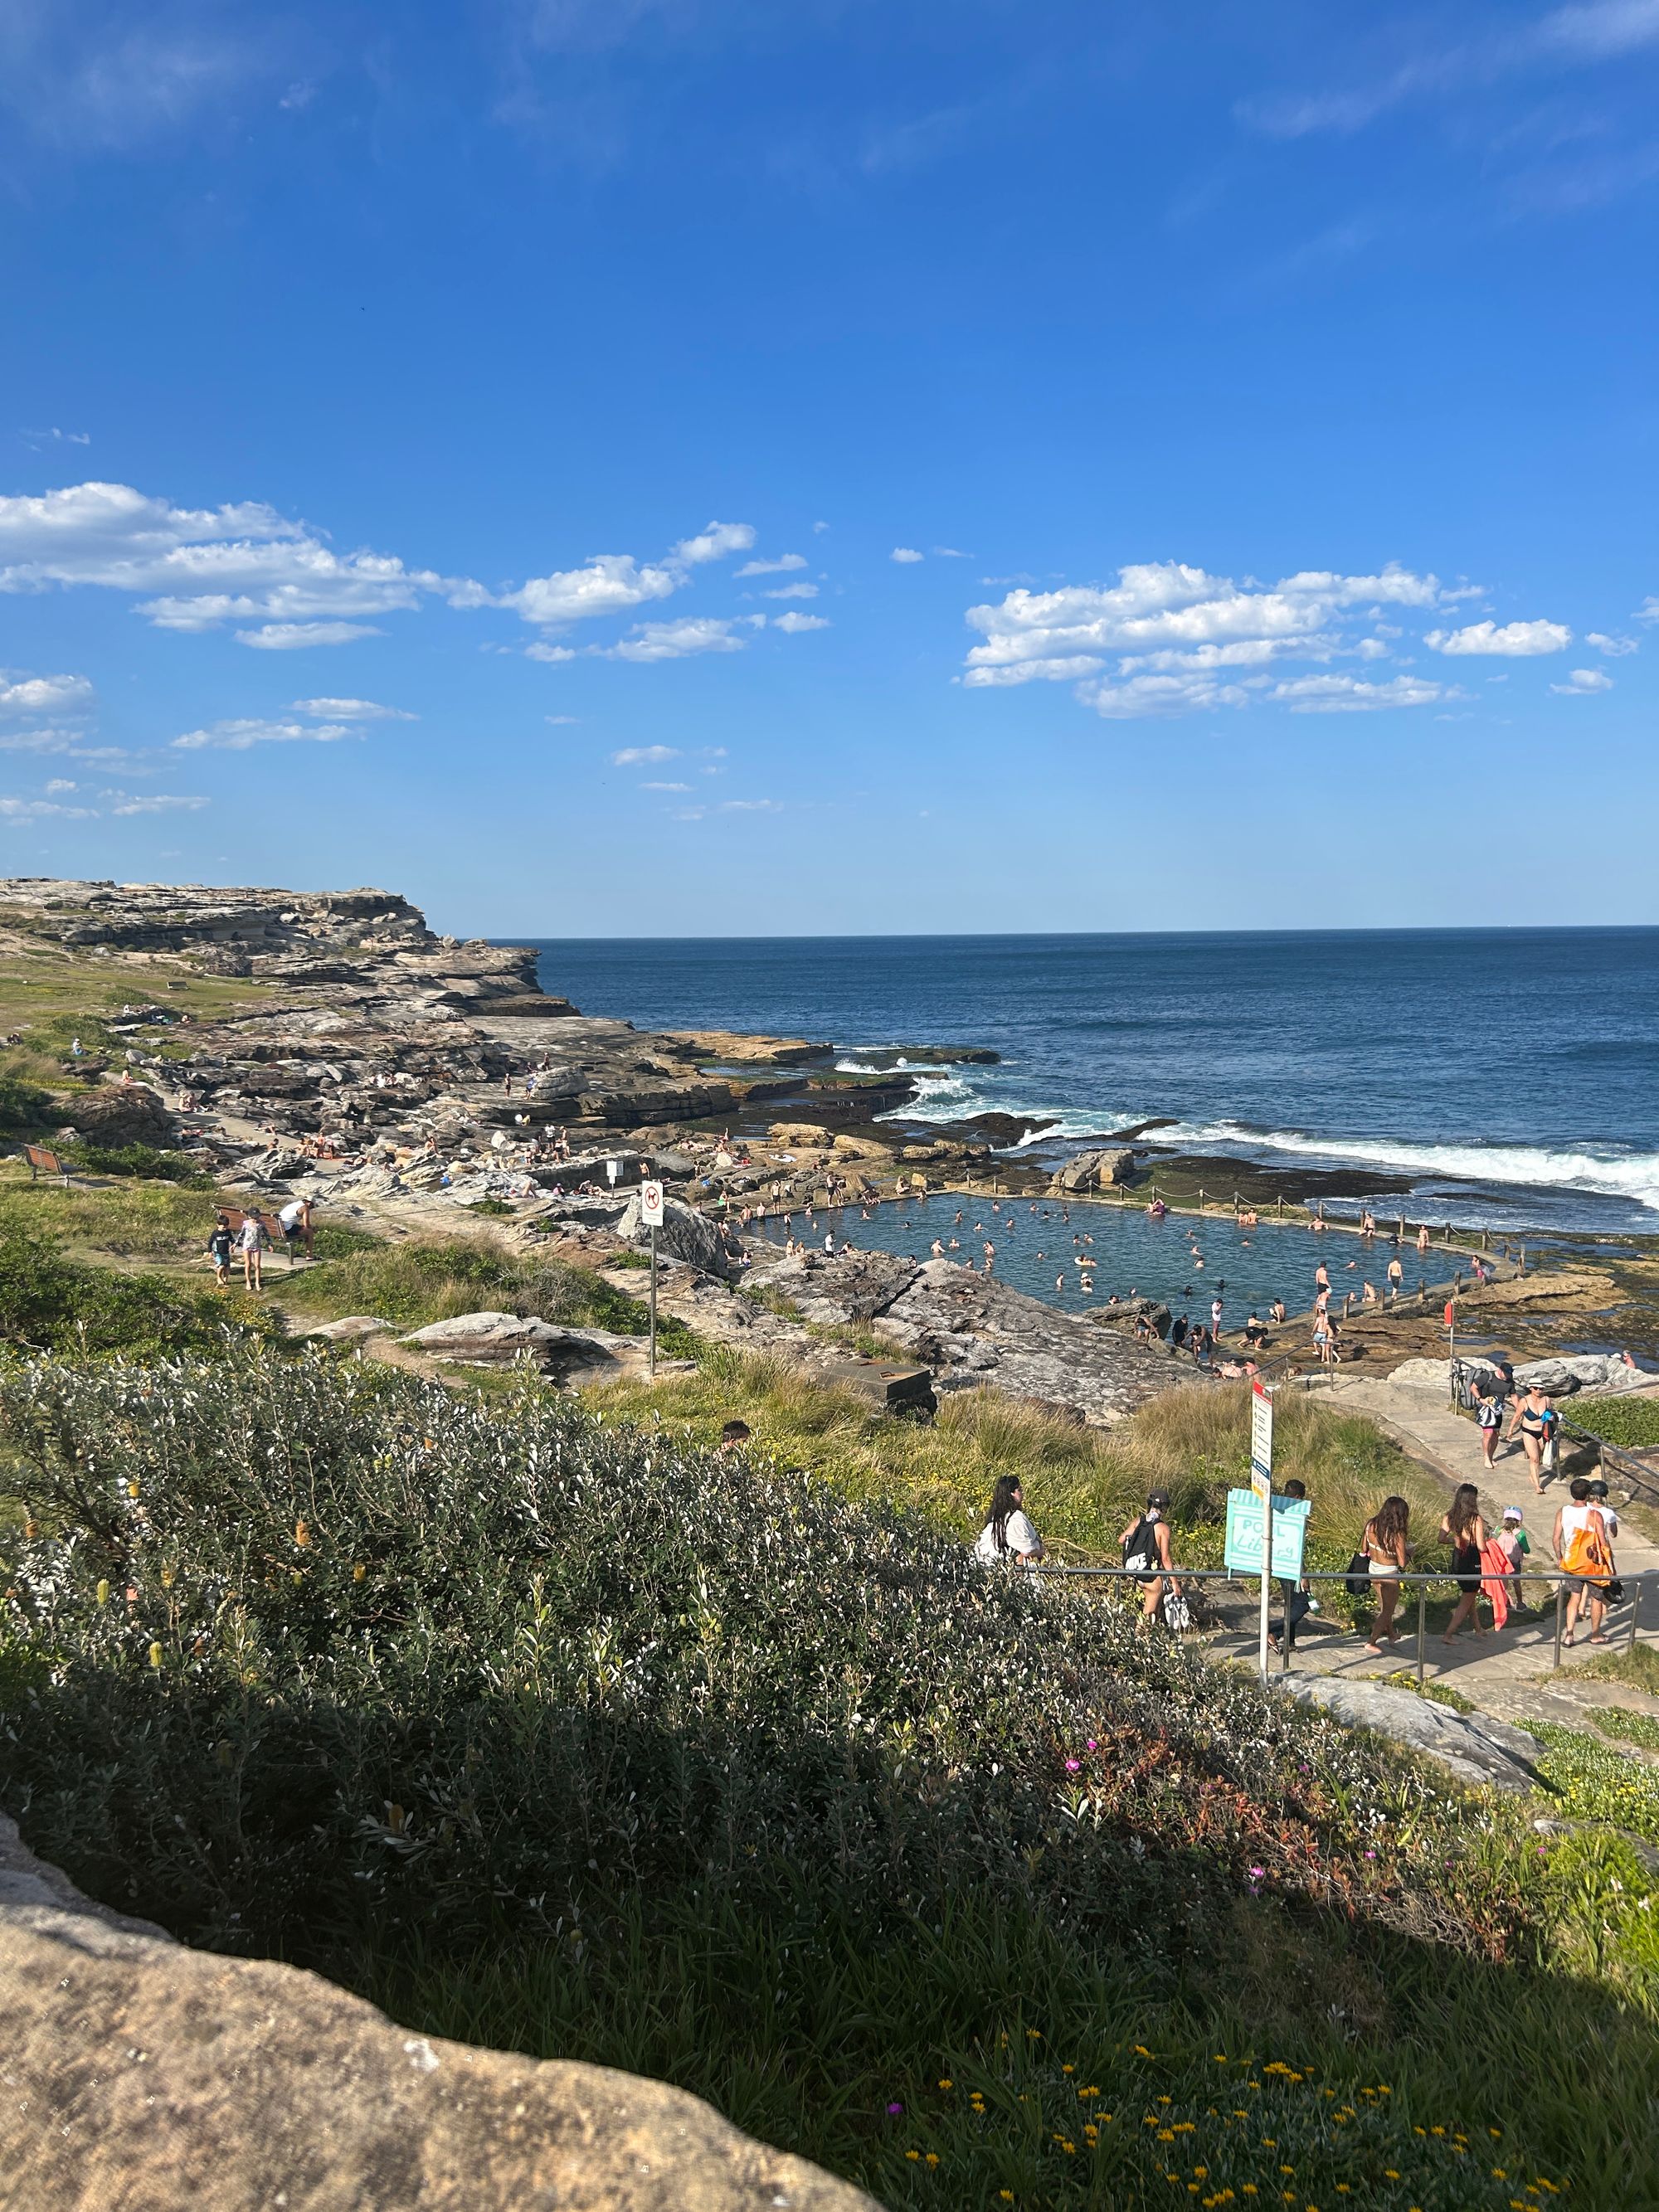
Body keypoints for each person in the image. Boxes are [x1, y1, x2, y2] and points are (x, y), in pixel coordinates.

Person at [1554, 1478, 1614, 1646]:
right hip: (1591, 1564)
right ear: (1588, 1495)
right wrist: (1610, 1567)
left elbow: (1555, 1539)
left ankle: (1569, 1635)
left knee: (1574, 1597)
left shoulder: (1562, 1512)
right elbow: (1603, 1543)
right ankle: (1595, 1634)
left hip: (1572, 1562)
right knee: (1596, 1598)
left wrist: (1560, 1557)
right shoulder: (1594, 1515)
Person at [1120, 1489, 1180, 1622]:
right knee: (1148, 1618)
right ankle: (1139, 1635)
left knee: (1153, 1616)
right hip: (1152, 1577)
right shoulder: (1163, 1529)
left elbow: (1121, 1539)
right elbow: (1165, 1559)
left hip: (1138, 1573)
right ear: (1164, 1508)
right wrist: (1175, 1583)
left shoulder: (1138, 1521)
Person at [1439, 1484, 1489, 1643]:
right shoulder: (1475, 1519)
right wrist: (1491, 1546)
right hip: (1471, 1559)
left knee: (1469, 1594)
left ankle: (1478, 1628)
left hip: (1457, 1558)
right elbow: (1481, 1547)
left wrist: (1455, 1540)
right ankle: (1448, 1634)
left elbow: (1441, 1539)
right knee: (1468, 1597)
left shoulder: (1449, 1516)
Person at [1361, 1495, 1410, 1652]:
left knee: (1385, 1606)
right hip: (1388, 1573)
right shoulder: (1397, 1533)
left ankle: (1391, 1635)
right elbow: (1402, 1563)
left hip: (1373, 1569)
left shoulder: (1371, 1525)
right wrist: (1410, 1553)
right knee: (1388, 1611)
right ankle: (1371, 1641)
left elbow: (1364, 1548)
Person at [1270, 1478, 1311, 1655]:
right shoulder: (1295, 1515)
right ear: (1298, 1497)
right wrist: (1303, 1574)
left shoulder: (1276, 1510)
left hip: (1277, 1561)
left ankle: (1290, 1642)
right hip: (1291, 1565)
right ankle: (1274, 1632)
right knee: (1303, 1604)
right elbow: (1296, 1546)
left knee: (1291, 1603)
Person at [974, 1476, 1045, 1567]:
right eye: (1019, 1490)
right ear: (1011, 1494)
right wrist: (1042, 1552)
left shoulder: (995, 1519)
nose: (1022, 1494)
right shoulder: (1015, 1518)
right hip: (1003, 1568)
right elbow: (1027, 1551)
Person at [1506, 1383, 1553, 1495]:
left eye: (1541, 1388)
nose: (1539, 1390)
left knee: (1538, 1458)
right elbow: (1517, 1415)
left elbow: (1551, 1412)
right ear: (1531, 1388)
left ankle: (1533, 1476)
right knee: (1534, 1458)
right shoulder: (1524, 1401)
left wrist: (1550, 1418)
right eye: (1536, 1388)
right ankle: (1537, 1486)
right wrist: (1510, 1430)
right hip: (1528, 1432)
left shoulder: (1546, 1400)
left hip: (1542, 1432)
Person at [1496, 1505, 1534, 1610]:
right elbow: (1527, 1550)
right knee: (1516, 1582)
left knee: (1503, 1582)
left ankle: (1506, 1602)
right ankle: (1520, 1603)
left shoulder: (1498, 1530)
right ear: (1519, 1521)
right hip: (1514, 1563)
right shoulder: (1520, 1534)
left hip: (1501, 1561)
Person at [1474, 1380, 1505, 1469]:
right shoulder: (1487, 1377)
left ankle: (1491, 1457)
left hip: (1498, 1411)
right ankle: (1486, 1457)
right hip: (1486, 1410)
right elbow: (1473, 1387)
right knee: (1488, 1434)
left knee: (1496, 1434)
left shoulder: (1509, 1382)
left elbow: (1513, 1395)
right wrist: (1481, 1400)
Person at [236, 1209, 270, 1291]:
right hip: (247, 1246)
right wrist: (236, 1243)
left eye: (257, 1217)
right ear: (249, 1216)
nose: (256, 1219)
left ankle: (257, 1282)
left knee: (257, 1265)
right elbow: (241, 1234)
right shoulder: (246, 1223)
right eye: (254, 1218)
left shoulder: (261, 1224)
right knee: (248, 1264)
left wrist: (270, 1244)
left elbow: (267, 1234)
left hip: (256, 1246)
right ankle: (248, 1282)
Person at [277, 1195, 314, 1264]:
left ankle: (293, 1253)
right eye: (312, 1206)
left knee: (298, 1227)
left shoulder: (295, 1204)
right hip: (286, 1230)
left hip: (278, 1228)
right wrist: (313, 1228)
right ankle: (309, 1255)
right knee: (310, 1232)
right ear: (310, 1203)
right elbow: (306, 1225)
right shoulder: (305, 1208)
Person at [207, 1211, 234, 1290]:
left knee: (227, 1267)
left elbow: (232, 1239)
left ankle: (225, 1282)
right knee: (221, 1266)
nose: (225, 1228)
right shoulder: (215, 1233)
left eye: (226, 1226)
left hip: (226, 1252)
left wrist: (234, 1245)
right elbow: (210, 1242)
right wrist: (209, 1251)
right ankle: (219, 1277)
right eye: (223, 1226)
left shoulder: (228, 1232)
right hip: (218, 1252)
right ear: (218, 1225)